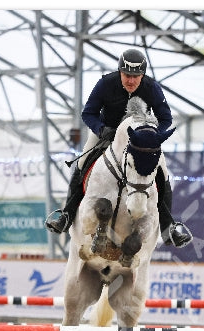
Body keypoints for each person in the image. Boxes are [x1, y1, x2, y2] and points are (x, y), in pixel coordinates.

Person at [45, 48, 192, 248]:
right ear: (120, 72)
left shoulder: (152, 87)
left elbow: (166, 118)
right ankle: (66, 216)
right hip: (106, 132)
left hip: (139, 139)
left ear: (143, 75)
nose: (131, 81)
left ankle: (169, 228)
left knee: (163, 173)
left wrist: (152, 135)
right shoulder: (106, 83)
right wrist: (100, 129)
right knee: (81, 163)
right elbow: (88, 113)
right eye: (126, 75)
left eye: (136, 76)